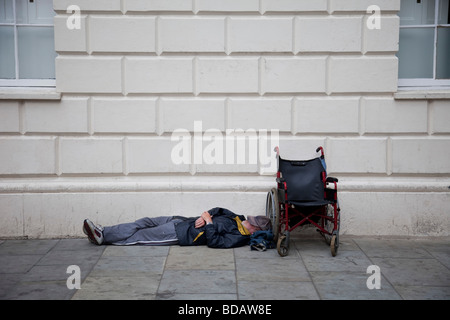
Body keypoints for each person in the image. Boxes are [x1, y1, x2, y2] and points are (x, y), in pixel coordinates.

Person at [83, 207, 271, 249]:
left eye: (251, 222)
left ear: (254, 229)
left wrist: (210, 223)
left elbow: (215, 242)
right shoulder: (236, 217)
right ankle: (103, 231)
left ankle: (103, 237)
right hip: (180, 220)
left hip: (182, 233)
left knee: (141, 236)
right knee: (144, 221)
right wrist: (205, 216)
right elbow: (218, 209)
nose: (247, 220)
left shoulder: (239, 237)